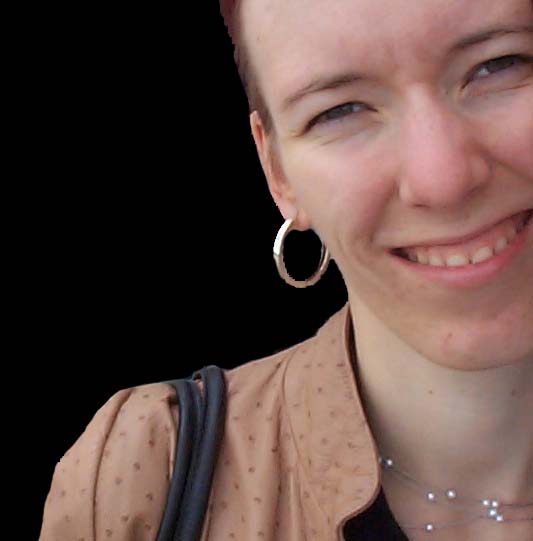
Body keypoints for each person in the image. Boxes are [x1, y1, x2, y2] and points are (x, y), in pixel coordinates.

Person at [40, 0, 533, 539]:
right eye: (340, 111)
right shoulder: (144, 474)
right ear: (278, 172)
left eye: (498, 65)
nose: (444, 180)